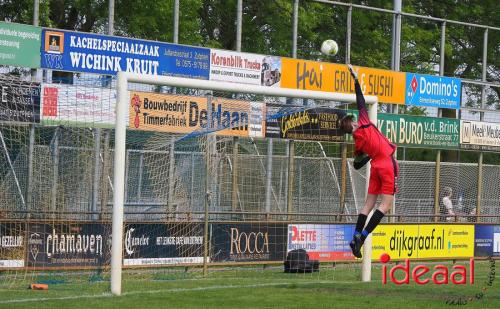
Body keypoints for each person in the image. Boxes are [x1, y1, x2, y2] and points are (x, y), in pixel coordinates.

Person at [341, 64, 399, 258]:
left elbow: (357, 163)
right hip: (386, 163)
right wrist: (356, 80)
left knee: (368, 205)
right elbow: (361, 100)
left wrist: (366, 156)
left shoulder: (357, 143)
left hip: (375, 165)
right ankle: (363, 237)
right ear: (354, 123)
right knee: (385, 206)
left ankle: (355, 235)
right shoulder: (364, 122)